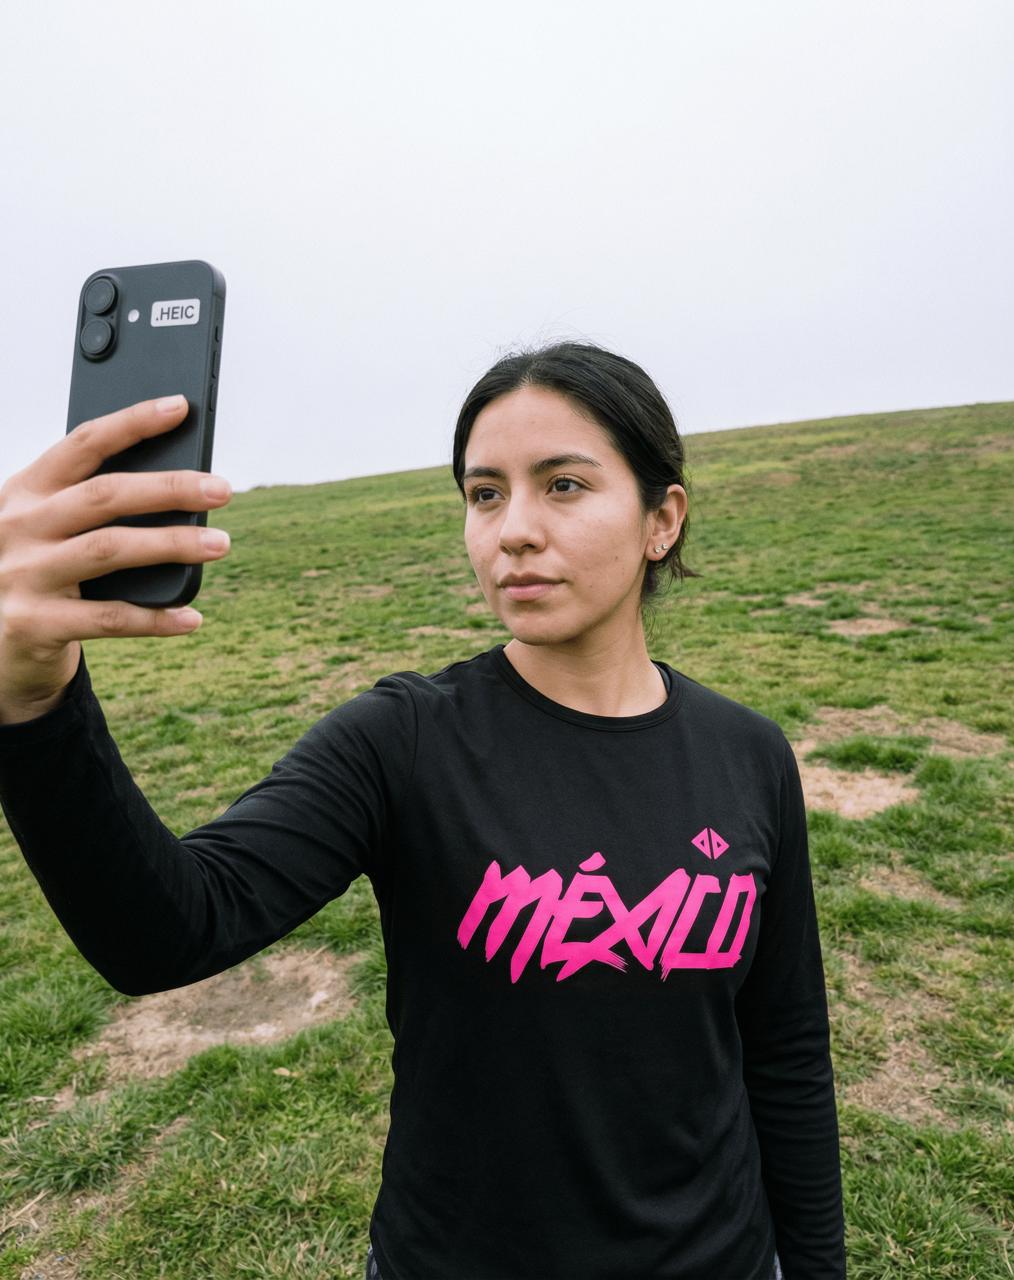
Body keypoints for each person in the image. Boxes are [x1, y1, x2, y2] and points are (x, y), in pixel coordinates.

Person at [0, 341, 845, 1279]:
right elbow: (165, 932)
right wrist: (33, 701)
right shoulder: (402, 741)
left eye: (563, 485)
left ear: (662, 520)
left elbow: (785, 1050)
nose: (512, 531)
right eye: (484, 494)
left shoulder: (748, 754)